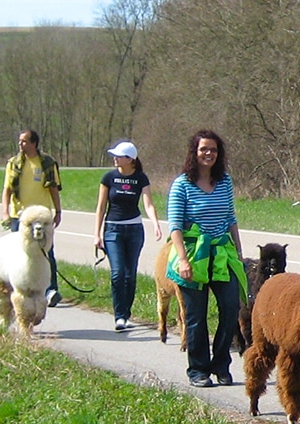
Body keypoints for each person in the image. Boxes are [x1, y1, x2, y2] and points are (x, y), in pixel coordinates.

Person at [168, 130, 245, 387]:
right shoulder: (182, 185)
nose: (209, 154)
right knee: (196, 316)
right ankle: (198, 370)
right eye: (204, 149)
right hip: (193, 255)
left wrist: (239, 251)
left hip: (222, 253)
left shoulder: (224, 182)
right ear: (195, 152)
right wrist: (183, 260)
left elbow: (231, 218)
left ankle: (221, 364)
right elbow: (175, 226)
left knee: (231, 307)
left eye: (213, 149)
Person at [94, 140, 161, 332]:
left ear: (130, 159)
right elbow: (100, 208)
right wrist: (97, 234)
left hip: (134, 230)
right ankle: (119, 316)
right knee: (118, 273)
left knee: (130, 275)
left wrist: (155, 223)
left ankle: (126, 313)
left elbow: (148, 204)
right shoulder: (108, 178)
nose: (115, 158)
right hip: (112, 230)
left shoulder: (141, 178)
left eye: (119, 156)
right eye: (114, 155)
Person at [1, 129, 63, 307]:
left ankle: (51, 290)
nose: (21, 144)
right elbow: (7, 190)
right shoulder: (14, 163)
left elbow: (53, 188)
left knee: (46, 252)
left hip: (41, 217)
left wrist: (58, 211)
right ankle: (20, 287)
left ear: (34, 143)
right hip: (19, 217)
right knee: (20, 254)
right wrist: (5, 211)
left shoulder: (47, 163)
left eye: (24, 141)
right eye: (20, 141)